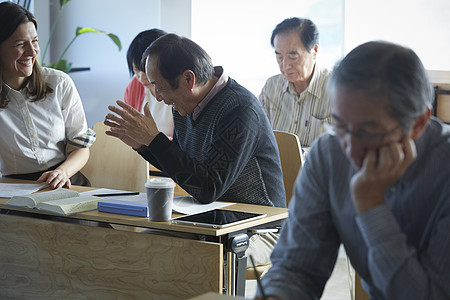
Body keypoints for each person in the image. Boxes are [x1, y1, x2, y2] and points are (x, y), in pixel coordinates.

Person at [256, 41, 450, 299]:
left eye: (368, 132)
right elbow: (297, 268)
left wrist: (371, 206)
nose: (350, 150)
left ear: (418, 123)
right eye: (340, 126)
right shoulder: (329, 154)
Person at [104, 33, 286, 266]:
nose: (157, 97)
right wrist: (145, 145)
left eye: (158, 86)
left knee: (186, 261)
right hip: (211, 222)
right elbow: (185, 168)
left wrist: (154, 140)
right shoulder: (184, 105)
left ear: (188, 79)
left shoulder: (240, 109)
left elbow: (208, 186)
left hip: (258, 229)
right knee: (136, 249)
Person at [0, 2, 95, 188]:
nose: (32, 51)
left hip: (65, 181)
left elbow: (81, 149)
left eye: (35, 41)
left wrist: (62, 172)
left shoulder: (59, 83)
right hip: (14, 188)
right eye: (20, 44)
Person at [259, 17, 331, 153]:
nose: (285, 65)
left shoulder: (337, 89)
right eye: (279, 57)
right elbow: (258, 137)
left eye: (293, 56)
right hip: (278, 171)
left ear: (314, 51)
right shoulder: (271, 87)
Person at [124, 28, 174, 138]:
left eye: (145, 71)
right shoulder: (134, 86)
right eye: (136, 70)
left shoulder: (178, 89)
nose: (141, 77)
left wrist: (153, 141)